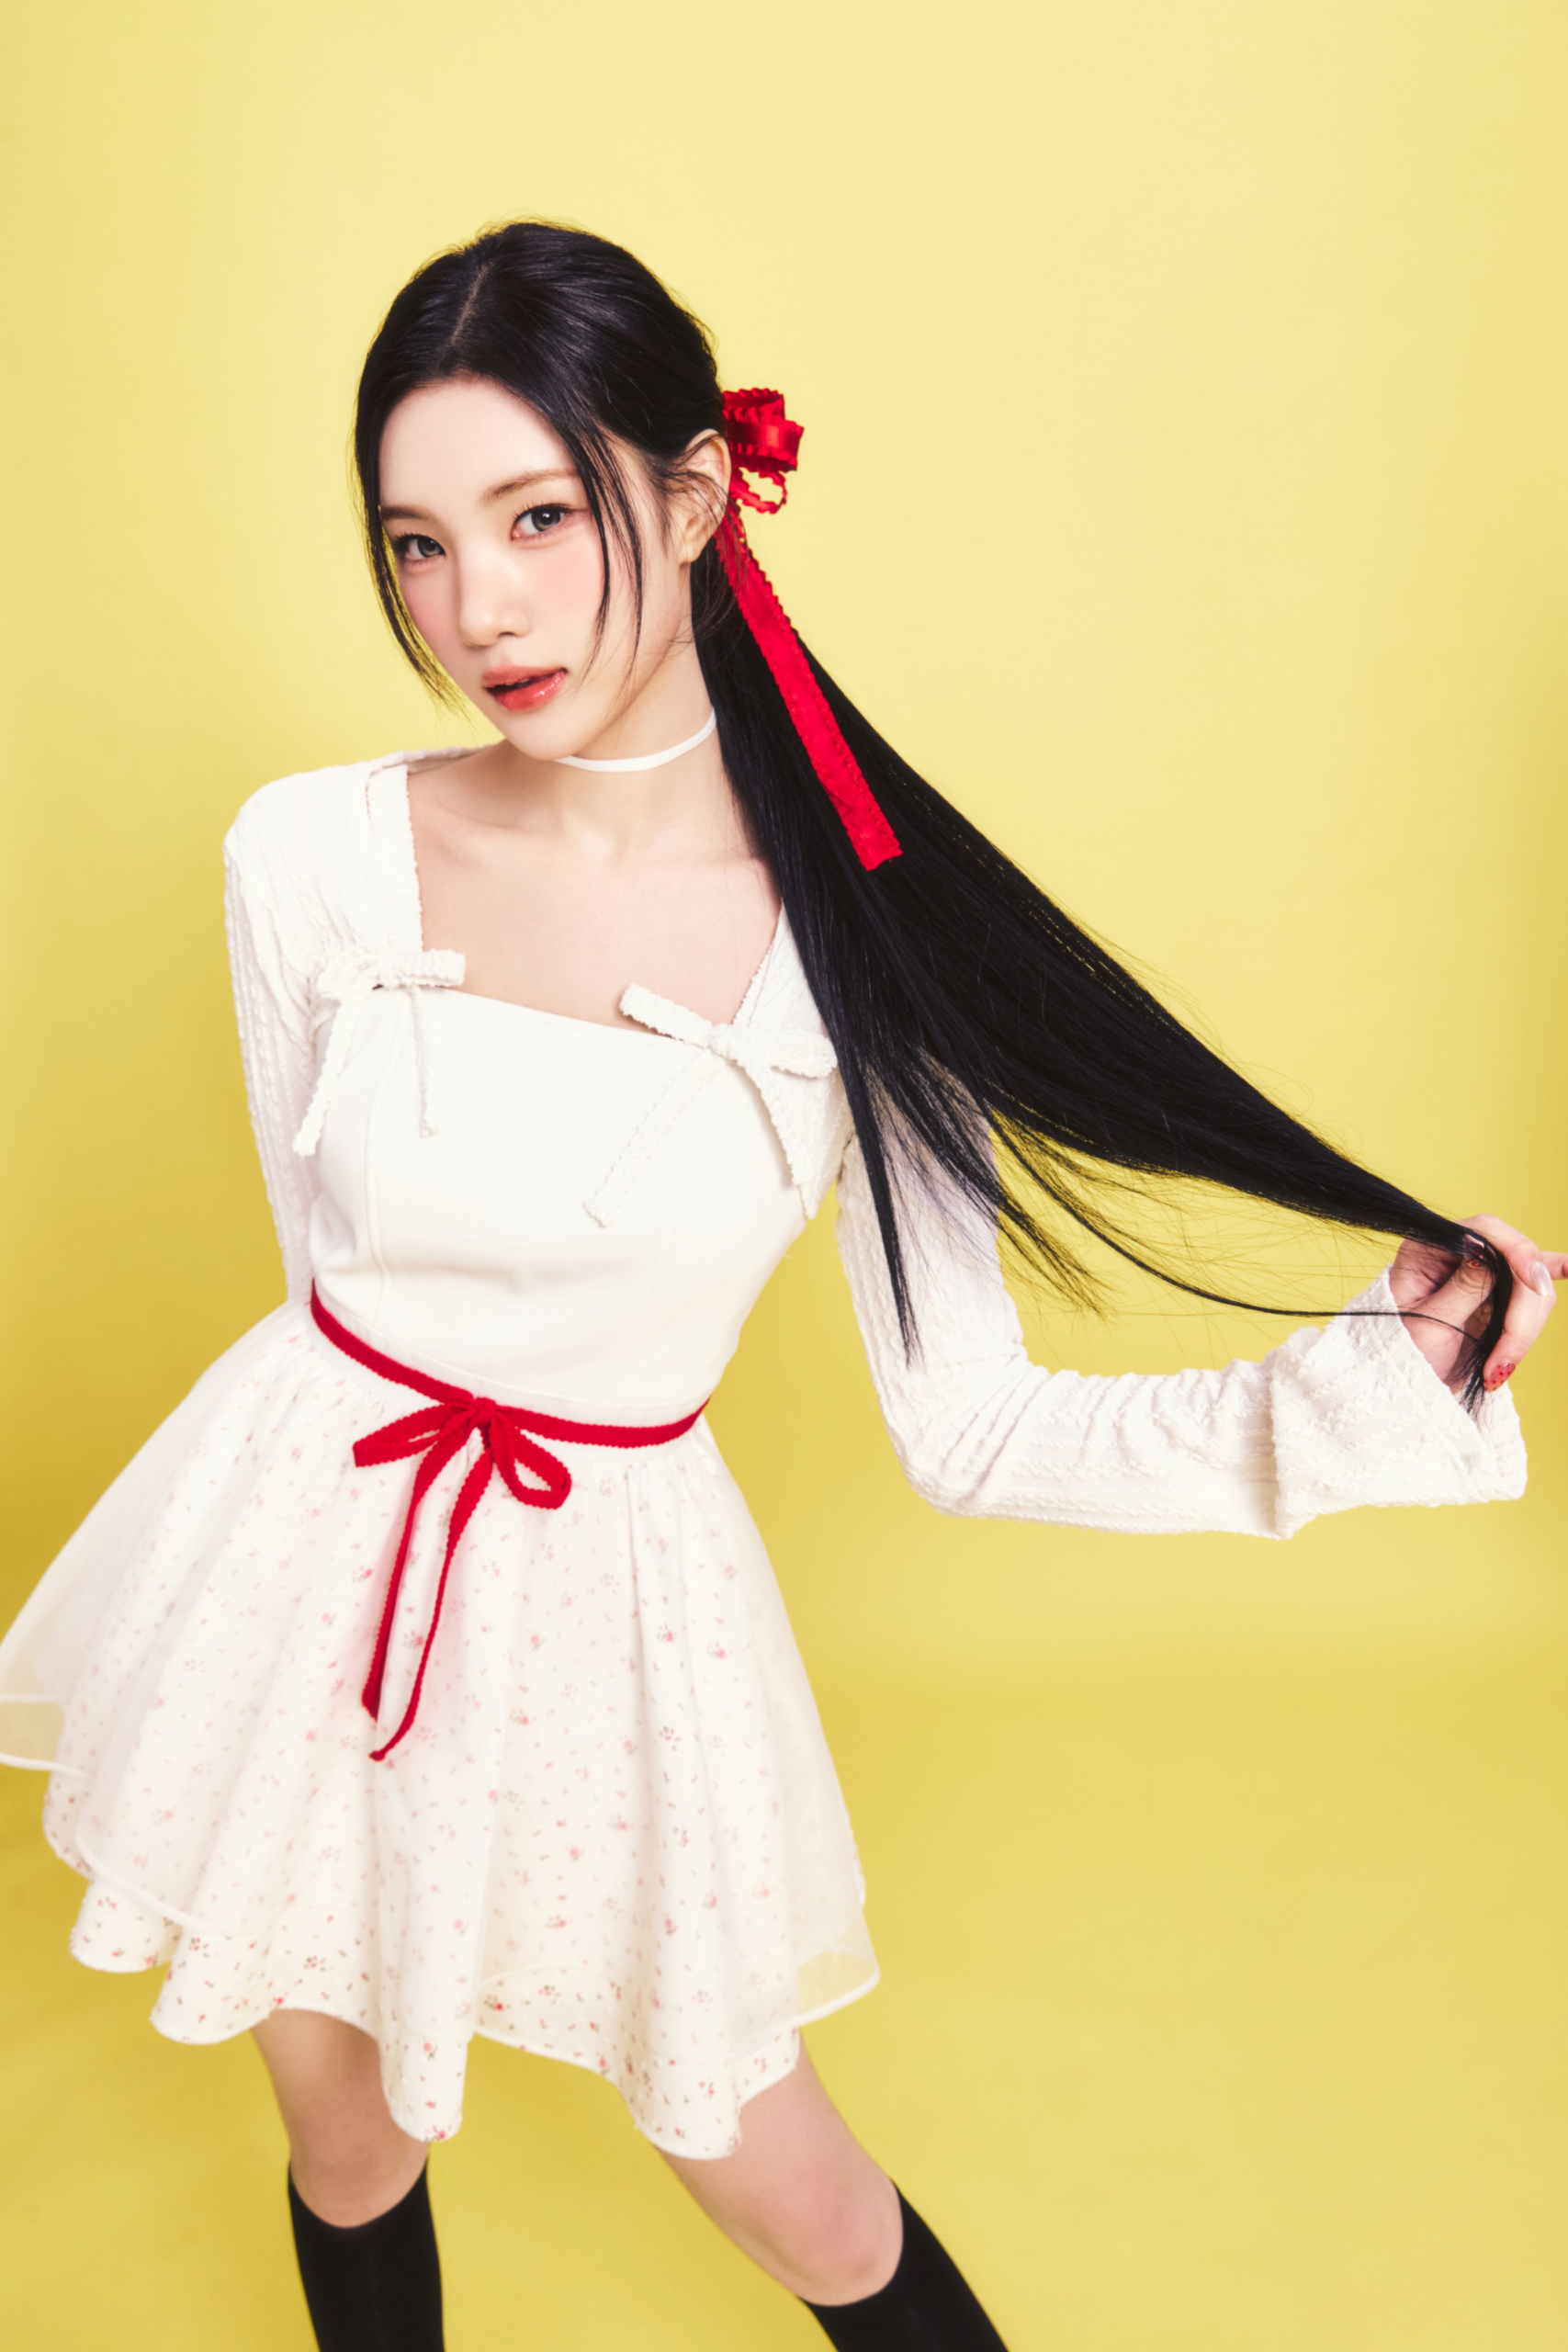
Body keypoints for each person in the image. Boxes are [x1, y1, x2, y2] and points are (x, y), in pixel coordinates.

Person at [0, 220, 1557, 2352]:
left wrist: (1372, 1368)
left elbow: (977, 1423)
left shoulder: (862, 944)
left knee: (799, 2196)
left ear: (695, 493)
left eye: (538, 517)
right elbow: (324, 1276)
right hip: (300, 1562)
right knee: (347, 2143)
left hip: (613, 1617)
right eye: (419, 543)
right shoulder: (307, 854)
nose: (479, 608)